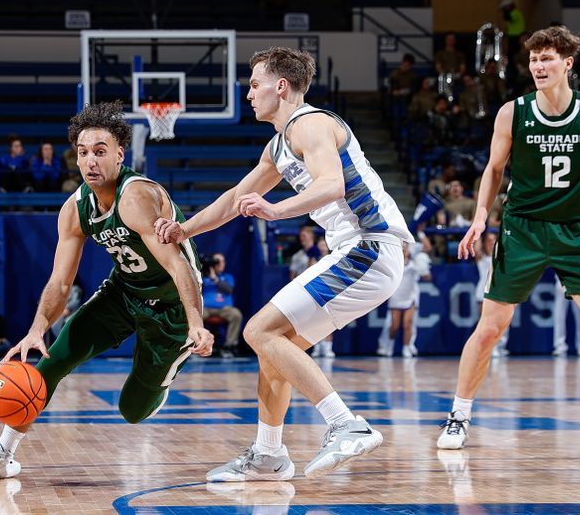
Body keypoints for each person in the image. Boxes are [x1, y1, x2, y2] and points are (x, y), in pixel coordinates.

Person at [155, 46, 413, 480]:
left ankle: (345, 424)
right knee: (274, 346)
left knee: (257, 329)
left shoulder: (311, 124)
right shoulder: (280, 146)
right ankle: (269, 454)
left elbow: (331, 184)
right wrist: (185, 230)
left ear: (282, 86)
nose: (249, 93)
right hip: (358, 250)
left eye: (255, 84)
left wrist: (276, 210)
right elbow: (234, 200)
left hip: (370, 245)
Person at [437, 26, 580, 454]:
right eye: (534, 59)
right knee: (490, 329)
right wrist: (481, 216)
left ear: (567, 64)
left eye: (547, 59)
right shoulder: (512, 112)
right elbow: (494, 170)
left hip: (575, 230)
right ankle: (458, 417)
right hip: (523, 228)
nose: (539, 66)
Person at [0, 100, 213, 481]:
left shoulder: (136, 197)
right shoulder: (74, 208)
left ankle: (163, 374)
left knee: (133, 409)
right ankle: (3, 453)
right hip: (124, 292)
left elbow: (181, 266)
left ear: (119, 155)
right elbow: (60, 282)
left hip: (172, 308)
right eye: (83, 153)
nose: (90, 161)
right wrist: (36, 328)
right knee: (53, 359)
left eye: (100, 152)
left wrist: (196, 322)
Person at [474, 230, 509, 358]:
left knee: (501, 322)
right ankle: (487, 348)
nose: (491, 242)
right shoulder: (482, 257)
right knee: (485, 323)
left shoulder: (501, 257)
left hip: (498, 293)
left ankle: (500, 346)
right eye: (489, 240)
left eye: (493, 240)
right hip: (482, 293)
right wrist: (478, 228)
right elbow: (476, 248)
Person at [202, 252, 243, 358]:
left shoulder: (228, 277)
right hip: (206, 308)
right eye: (217, 261)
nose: (220, 264)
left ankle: (229, 346)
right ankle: (198, 345)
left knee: (236, 314)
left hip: (224, 309)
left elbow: (229, 290)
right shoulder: (203, 277)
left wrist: (215, 278)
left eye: (222, 261)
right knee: (194, 315)